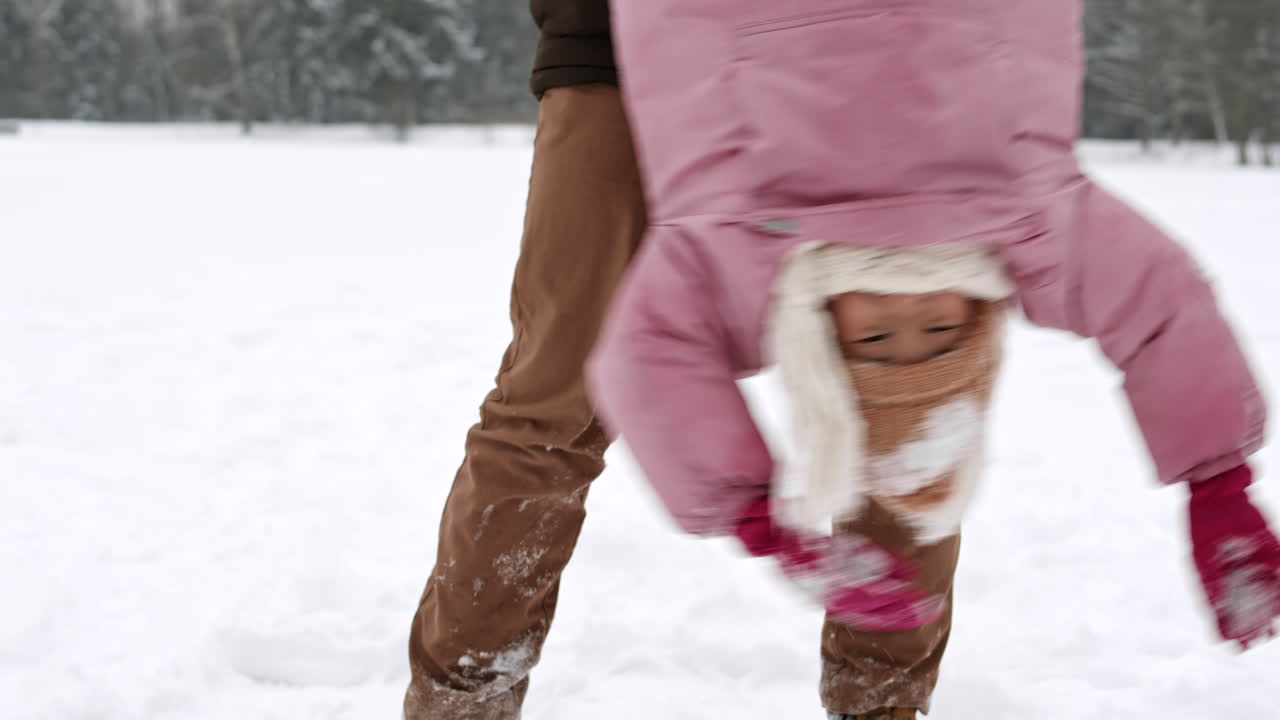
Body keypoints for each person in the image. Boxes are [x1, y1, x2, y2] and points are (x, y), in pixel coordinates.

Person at [587, 2, 1280, 718]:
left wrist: (759, 519)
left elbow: (646, 359)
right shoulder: (1035, 226)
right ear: (979, 321)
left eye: (873, 343)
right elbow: (1161, 307)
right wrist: (1218, 484)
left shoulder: (738, 247)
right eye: (942, 331)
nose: (902, 310)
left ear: (823, 344)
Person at [401, 2, 646, 718]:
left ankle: (879, 699)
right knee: (550, 411)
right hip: (616, 52)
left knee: (897, 383)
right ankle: (462, 705)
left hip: (852, 51)